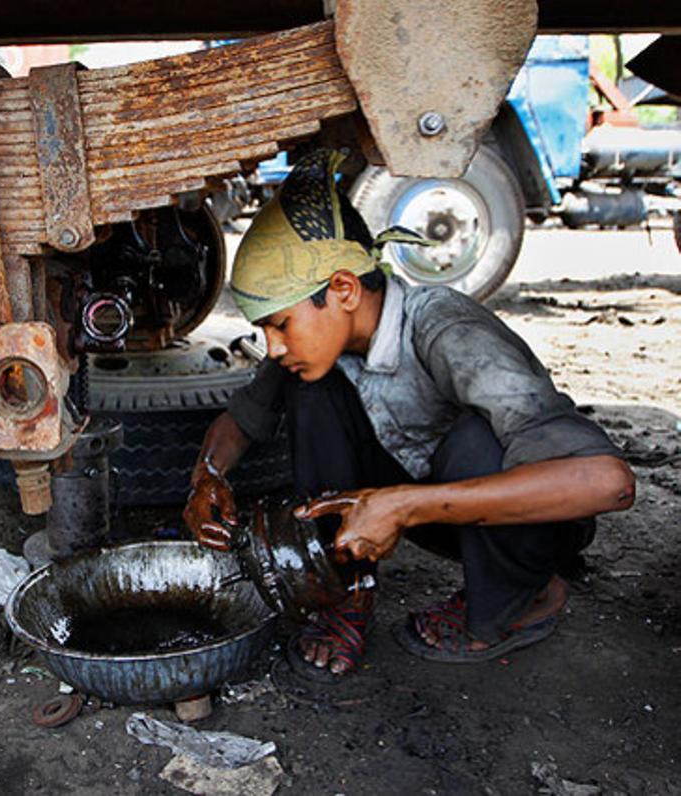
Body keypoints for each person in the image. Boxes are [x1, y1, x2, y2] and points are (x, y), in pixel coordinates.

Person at [183, 149, 634, 680]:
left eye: (280, 324)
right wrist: (206, 478)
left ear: (344, 289)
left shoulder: (447, 330)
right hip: (432, 508)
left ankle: (525, 598)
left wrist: (402, 506)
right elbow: (238, 423)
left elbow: (609, 484)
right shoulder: (317, 350)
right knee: (309, 386)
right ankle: (345, 594)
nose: (273, 346)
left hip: (530, 521)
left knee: (474, 442)